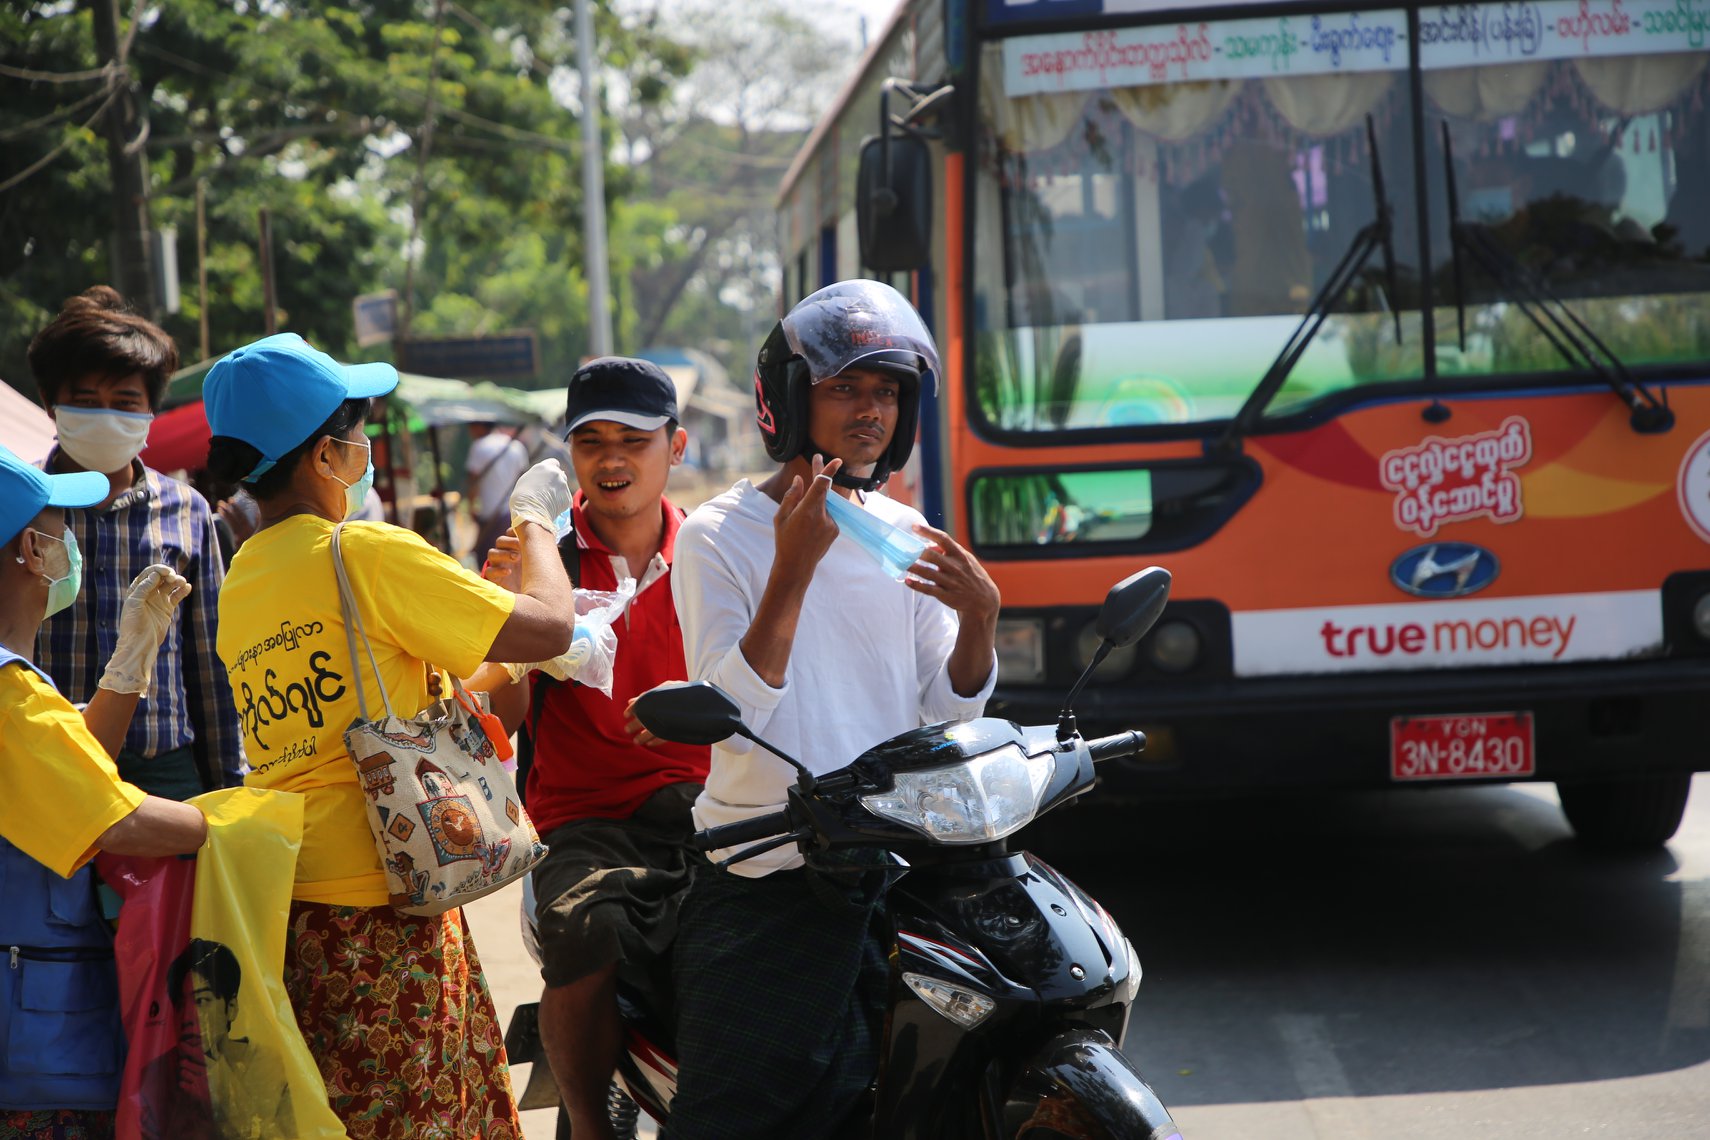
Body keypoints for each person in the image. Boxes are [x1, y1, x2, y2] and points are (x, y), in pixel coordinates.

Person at [200, 332, 576, 1138]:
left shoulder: (243, 580)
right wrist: (536, 521)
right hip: (394, 903)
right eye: (357, 432)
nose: (365, 450)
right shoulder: (363, 551)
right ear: (325, 456)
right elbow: (549, 628)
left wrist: (487, 627)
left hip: (299, 914)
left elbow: (388, 701)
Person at [666, 280, 1002, 1138]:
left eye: (886, 391)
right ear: (787, 401)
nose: (870, 412)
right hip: (769, 872)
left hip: (891, 861)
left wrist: (980, 620)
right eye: (845, 388)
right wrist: (793, 567)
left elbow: (943, 703)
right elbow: (734, 705)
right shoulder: (718, 534)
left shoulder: (903, 531)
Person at [478, 357, 710, 1140]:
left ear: (675, 448)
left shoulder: (712, 553)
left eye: (634, 441)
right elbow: (500, 710)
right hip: (584, 816)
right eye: (592, 442)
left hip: (710, 802)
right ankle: (586, 1125)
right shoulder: (539, 560)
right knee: (585, 930)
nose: (612, 460)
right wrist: (509, 619)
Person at [0, 442, 208, 1140]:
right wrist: (242, 827)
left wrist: (128, 668)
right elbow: (113, 820)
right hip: (30, 1042)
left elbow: (71, 780)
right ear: (34, 550)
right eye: (64, 528)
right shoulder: (10, 693)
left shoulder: (17, 686)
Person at [28, 286, 246, 800]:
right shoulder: (20, 504)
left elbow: (210, 656)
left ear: (149, 411)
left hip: (163, 768)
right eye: (85, 402)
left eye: (124, 402)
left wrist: (227, 789)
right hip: (49, 763)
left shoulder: (188, 509)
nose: (106, 415)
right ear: (51, 406)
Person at [466, 420, 529, 561]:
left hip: (490, 513)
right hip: (512, 515)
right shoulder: (516, 446)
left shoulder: (479, 446)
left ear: (478, 427)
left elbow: (473, 482)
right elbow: (524, 480)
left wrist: (471, 508)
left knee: (487, 559)